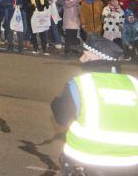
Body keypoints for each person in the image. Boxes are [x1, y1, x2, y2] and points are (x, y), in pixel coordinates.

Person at [51, 33, 138, 175]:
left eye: (86, 55)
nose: (81, 59)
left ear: (98, 58)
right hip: (132, 163)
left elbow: (61, 116)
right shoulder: (134, 83)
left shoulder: (81, 84)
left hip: (87, 160)